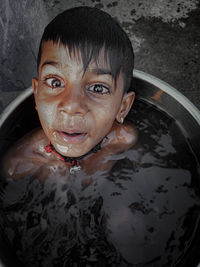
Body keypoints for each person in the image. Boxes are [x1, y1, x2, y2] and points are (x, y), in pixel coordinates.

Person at [2, 6, 137, 180]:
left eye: (97, 88)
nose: (72, 106)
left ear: (122, 107)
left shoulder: (122, 139)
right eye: (55, 82)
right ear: (36, 94)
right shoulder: (18, 164)